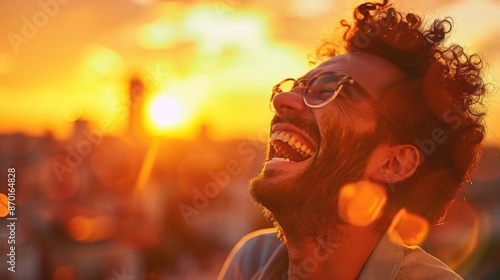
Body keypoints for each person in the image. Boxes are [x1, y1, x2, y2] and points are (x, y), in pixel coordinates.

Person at [218, 0, 489, 279]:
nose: (282, 99)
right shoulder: (251, 259)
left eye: (331, 89)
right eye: (297, 86)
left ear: (394, 163)